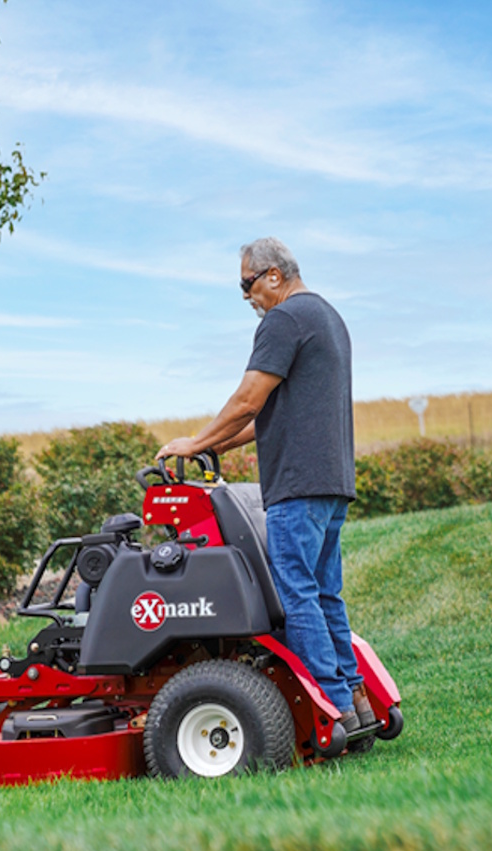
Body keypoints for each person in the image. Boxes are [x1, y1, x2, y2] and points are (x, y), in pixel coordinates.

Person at [157, 237, 375, 734]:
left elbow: (247, 401)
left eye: (247, 283)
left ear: (274, 275)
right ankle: (355, 696)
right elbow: (270, 418)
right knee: (325, 594)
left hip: (296, 484)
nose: (246, 296)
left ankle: (331, 707)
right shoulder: (327, 317)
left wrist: (194, 442)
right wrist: (213, 446)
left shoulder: (283, 319)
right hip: (331, 482)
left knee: (296, 594)